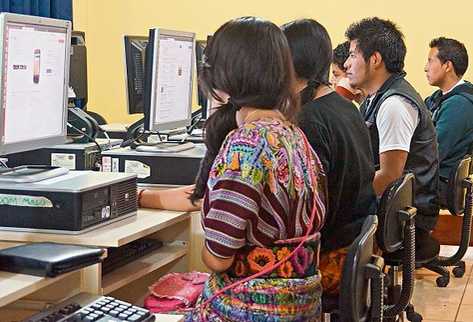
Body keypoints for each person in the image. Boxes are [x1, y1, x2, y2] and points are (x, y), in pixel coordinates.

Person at [142, 17, 326, 321]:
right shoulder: (295, 136)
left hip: (249, 307)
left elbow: (217, 260)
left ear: (222, 79)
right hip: (299, 304)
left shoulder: (244, 146)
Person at [282, 19, 376, 294]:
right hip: (357, 241)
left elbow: (310, 212)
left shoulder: (309, 119)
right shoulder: (343, 105)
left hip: (332, 252)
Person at [344, 17, 440, 257]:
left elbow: (390, 174)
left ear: (375, 59)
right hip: (395, 207)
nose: (346, 64)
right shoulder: (377, 97)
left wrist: (348, 203)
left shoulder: (394, 104)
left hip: (405, 216)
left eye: (353, 55)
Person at [424, 37, 473, 197]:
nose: (425, 68)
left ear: (447, 66)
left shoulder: (460, 104)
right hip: (433, 179)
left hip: (439, 185)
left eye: (430, 61)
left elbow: (432, 153)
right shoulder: (439, 97)